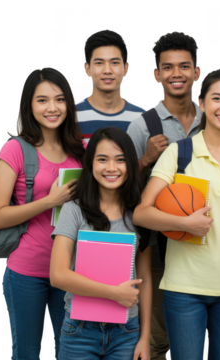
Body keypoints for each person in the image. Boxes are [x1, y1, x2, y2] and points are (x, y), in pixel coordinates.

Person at [133, 68, 220, 360]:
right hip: (183, 287)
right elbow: (142, 213)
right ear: (202, 103)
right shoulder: (179, 153)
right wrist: (184, 223)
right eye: (217, 99)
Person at [0, 67, 86, 359]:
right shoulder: (15, 149)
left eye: (59, 99)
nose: (52, 108)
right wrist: (49, 201)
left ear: (69, 104)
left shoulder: (80, 150)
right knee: (27, 353)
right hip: (27, 270)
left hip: (70, 270)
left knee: (70, 351)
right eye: (42, 100)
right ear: (29, 106)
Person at [126, 30, 203, 360]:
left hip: (205, 242)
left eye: (184, 66)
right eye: (168, 67)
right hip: (158, 247)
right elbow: (120, 187)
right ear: (156, 74)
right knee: (160, 337)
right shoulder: (143, 126)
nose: (177, 74)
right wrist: (143, 161)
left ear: (197, 72)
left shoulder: (214, 119)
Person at [50, 127, 152, 359]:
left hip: (126, 332)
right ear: (90, 164)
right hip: (79, 331)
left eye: (120, 160)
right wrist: (113, 293)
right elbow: (58, 275)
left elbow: (144, 281)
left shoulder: (139, 214)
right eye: (102, 159)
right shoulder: (73, 210)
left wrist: (145, 338)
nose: (111, 168)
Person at [78, 29, 145, 142]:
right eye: (99, 63)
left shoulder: (142, 118)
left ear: (126, 68)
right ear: (87, 69)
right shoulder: (71, 117)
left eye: (114, 63)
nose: (107, 70)